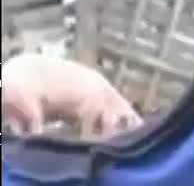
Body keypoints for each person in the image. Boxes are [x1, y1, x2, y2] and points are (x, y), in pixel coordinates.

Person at [1, 53, 143, 138]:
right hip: (21, 82)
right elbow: (91, 131)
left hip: (14, 80)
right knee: (34, 131)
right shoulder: (98, 94)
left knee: (19, 131)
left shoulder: (97, 84)